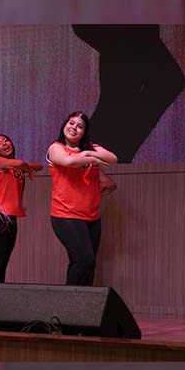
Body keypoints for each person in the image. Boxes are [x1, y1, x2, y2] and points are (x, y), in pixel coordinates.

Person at [47, 111, 117, 286]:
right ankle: (67, 301)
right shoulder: (56, 148)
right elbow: (69, 162)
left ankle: (83, 303)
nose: (74, 128)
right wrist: (91, 157)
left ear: (84, 132)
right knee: (85, 261)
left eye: (80, 126)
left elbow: (112, 159)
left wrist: (87, 153)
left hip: (92, 217)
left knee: (85, 266)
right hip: (66, 216)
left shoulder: (91, 147)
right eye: (71, 123)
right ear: (65, 125)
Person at [0, 134, 42, 291]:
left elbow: (39, 166)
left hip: (12, 219)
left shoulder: (17, 167)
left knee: (4, 262)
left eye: (6, 141)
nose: (4, 144)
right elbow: (21, 163)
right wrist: (28, 169)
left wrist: (29, 168)